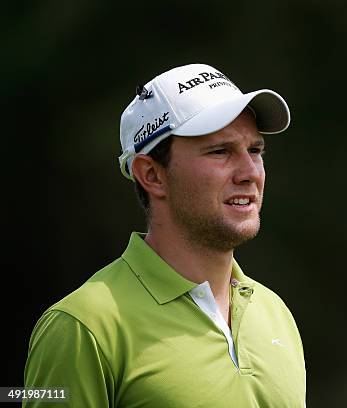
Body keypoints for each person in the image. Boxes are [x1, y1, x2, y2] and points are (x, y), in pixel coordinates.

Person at [23, 63, 306, 407]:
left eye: (255, 151)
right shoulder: (82, 326)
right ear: (152, 175)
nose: (249, 172)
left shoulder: (274, 312)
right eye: (220, 151)